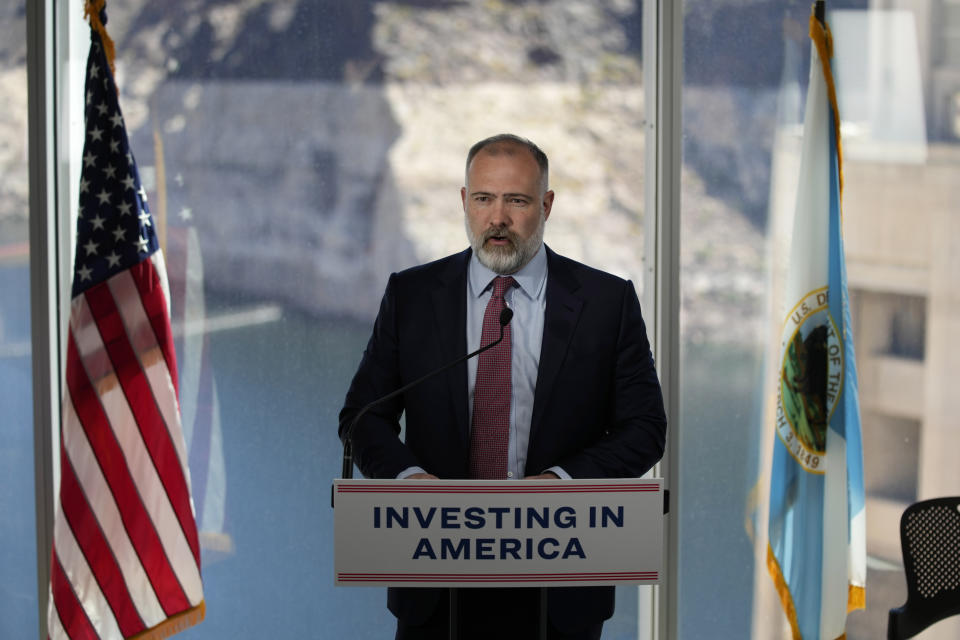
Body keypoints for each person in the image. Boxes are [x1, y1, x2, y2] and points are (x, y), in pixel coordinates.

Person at [339, 134, 667, 640]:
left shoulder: (607, 302)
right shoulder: (412, 295)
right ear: (463, 202)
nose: (497, 218)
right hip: (434, 578)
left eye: (516, 200)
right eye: (483, 199)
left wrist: (560, 483)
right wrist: (410, 480)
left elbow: (644, 429)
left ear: (546, 205)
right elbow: (362, 418)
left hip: (560, 580)